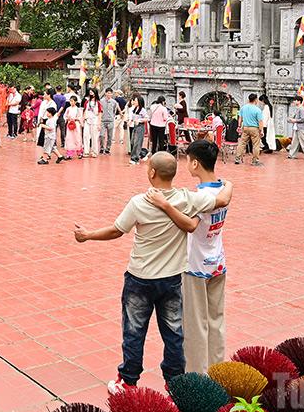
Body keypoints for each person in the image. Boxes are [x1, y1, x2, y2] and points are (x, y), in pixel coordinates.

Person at [73, 152, 233, 393]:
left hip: (140, 279)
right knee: (173, 334)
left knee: (134, 332)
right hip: (171, 281)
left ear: (151, 173)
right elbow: (221, 200)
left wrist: (87, 235)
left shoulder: (139, 202)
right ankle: (175, 383)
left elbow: (117, 231)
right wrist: (229, 183)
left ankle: (127, 381)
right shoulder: (187, 199)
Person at [146, 140, 232, 374]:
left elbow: (190, 225)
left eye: (187, 160)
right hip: (218, 262)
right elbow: (227, 192)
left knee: (195, 324)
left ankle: (197, 375)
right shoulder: (224, 188)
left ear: (195, 163)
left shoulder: (198, 197)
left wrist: (165, 205)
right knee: (216, 319)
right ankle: (217, 369)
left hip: (195, 265)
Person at [234, 94, 264, 166]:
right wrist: (261, 130)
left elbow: (240, 118)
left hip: (245, 127)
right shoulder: (257, 110)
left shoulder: (243, 108)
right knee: (256, 145)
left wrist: (239, 126)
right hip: (254, 128)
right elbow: (260, 121)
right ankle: (255, 160)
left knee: (242, 143)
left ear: (249, 99)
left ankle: (237, 158)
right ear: (255, 100)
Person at [126, 95, 148, 164]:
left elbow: (147, 118)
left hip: (140, 127)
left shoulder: (143, 110)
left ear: (139, 102)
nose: (134, 102)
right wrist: (130, 121)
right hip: (135, 127)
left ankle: (135, 159)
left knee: (137, 143)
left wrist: (140, 120)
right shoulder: (135, 109)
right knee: (133, 142)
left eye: (135, 100)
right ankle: (144, 153)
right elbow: (133, 117)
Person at [83, 92, 102, 158]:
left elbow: (100, 113)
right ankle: (86, 151)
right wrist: (83, 119)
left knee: (95, 137)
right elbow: (84, 110)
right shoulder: (87, 102)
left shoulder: (98, 103)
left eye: (92, 92)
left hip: (95, 121)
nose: (90, 93)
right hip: (87, 121)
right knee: (86, 136)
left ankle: (94, 151)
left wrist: (99, 123)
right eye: (90, 92)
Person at [100, 89, 119, 155]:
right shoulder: (101, 101)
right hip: (102, 120)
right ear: (105, 93)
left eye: (110, 93)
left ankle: (108, 149)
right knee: (102, 135)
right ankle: (102, 148)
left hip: (111, 120)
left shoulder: (114, 102)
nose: (109, 95)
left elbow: (114, 110)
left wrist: (112, 116)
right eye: (108, 93)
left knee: (110, 136)